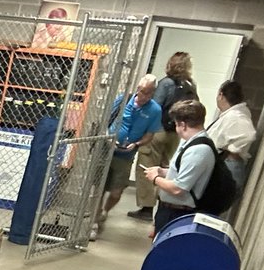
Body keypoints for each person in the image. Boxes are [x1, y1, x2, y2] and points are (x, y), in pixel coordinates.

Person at [92, 75, 162, 240]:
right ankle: (94, 223)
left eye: (147, 93)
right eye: (140, 91)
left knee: (116, 192)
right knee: (99, 188)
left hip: (126, 154)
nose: (142, 96)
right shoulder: (124, 100)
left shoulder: (155, 111)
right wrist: (108, 137)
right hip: (106, 149)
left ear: (152, 93)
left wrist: (136, 144)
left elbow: (150, 135)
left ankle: (105, 211)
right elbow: (105, 121)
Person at [130, 52, 196, 221]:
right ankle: (163, 203)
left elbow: (155, 107)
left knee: (147, 166)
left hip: (158, 132)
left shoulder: (165, 83)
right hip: (175, 134)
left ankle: (146, 208)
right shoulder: (190, 85)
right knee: (167, 168)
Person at [144, 99, 215, 237]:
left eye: (176, 124)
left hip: (178, 213)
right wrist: (163, 172)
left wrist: (155, 179)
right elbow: (182, 173)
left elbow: (179, 188)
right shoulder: (190, 143)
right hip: (170, 210)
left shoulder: (199, 150)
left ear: (182, 125)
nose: (176, 129)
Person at [207, 80, 258, 192]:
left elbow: (248, 135)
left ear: (221, 95)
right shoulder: (231, 114)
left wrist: (231, 150)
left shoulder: (236, 116)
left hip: (228, 164)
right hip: (223, 164)